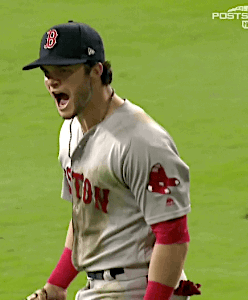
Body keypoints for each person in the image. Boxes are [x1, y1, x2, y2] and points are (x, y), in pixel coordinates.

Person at [22, 21, 201, 300]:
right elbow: (86, 220)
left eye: (64, 71)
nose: (52, 81)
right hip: (99, 288)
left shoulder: (141, 141)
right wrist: (57, 285)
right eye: (47, 73)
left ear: (96, 70)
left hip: (140, 287)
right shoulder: (70, 130)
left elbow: (173, 236)